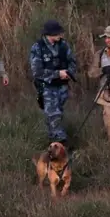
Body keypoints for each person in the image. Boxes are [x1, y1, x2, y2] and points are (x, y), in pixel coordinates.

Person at [29, 19, 77, 147]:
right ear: (49, 34)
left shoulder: (63, 45)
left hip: (62, 87)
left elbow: (72, 61)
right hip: (47, 88)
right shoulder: (38, 47)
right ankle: (62, 143)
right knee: (53, 114)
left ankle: (53, 143)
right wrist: (57, 74)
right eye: (57, 33)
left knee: (57, 115)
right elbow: (37, 72)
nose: (60, 35)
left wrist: (69, 73)